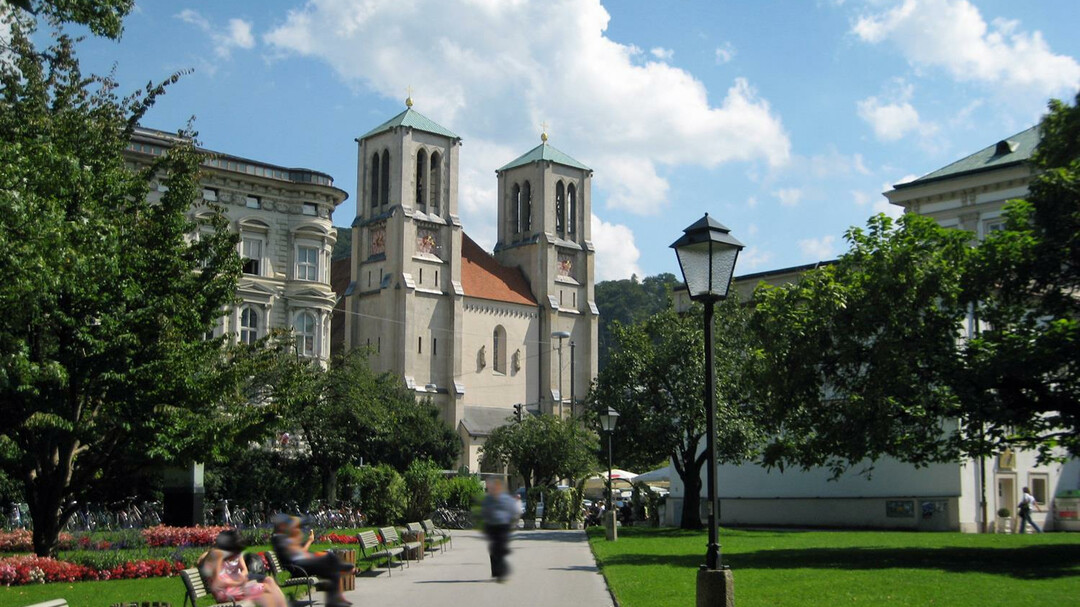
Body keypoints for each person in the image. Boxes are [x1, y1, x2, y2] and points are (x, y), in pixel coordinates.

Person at [272, 514, 353, 607]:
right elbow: (299, 554)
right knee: (330, 562)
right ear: (281, 526)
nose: (295, 527)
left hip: (301, 565)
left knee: (331, 565)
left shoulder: (282, 537)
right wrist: (310, 540)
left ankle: (335, 599)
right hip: (298, 568)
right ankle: (339, 574)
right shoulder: (280, 539)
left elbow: (299, 553)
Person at [202, 530, 287, 607]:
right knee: (266, 588)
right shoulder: (217, 555)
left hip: (229, 590)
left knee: (266, 588)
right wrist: (237, 582)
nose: (236, 555)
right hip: (225, 594)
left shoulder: (219, 554)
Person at [482, 479, 519, 582]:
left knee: (500, 548)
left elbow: (514, 510)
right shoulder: (488, 499)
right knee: (494, 549)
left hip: (503, 526)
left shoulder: (506, 499)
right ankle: (496, 571)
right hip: (492, 526)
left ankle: (501, 571)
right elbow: (484, 511)